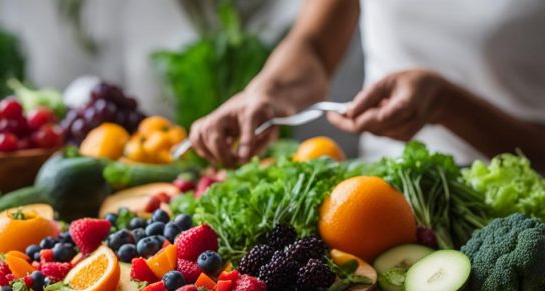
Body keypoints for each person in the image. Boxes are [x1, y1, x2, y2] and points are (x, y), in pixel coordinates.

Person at [189, 0, 545, 171]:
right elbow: (313, 45)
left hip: (518, 211)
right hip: (383, 195)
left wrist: (448, 105)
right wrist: (266, 92)